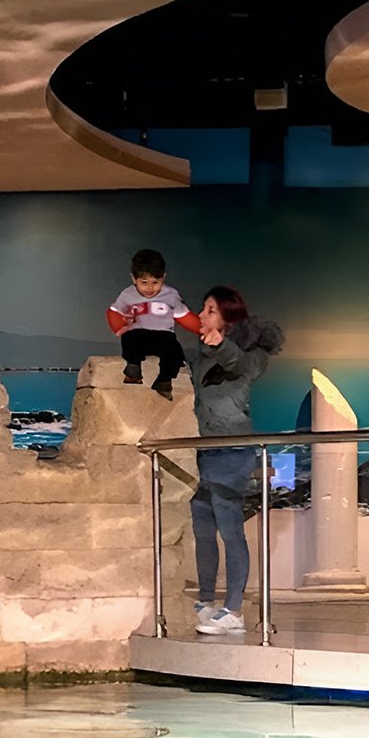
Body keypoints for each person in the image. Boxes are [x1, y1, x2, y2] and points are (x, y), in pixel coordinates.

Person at [189, 285, 284, 636]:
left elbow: (239, 365)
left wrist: (221, 344)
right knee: (202, 528)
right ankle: (206, 602)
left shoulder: (251, 354)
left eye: (210, 310)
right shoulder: (201, 353)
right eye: (203, 308)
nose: (202, 315)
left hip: (231, 451)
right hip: (204, 450)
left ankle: (233, 609)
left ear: (228, 318)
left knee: (230, 530)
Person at [105, 249, 202, 400]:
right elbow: (114, 312)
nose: (150, 288)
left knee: (175, 353)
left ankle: (164, 381)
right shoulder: (127, 295)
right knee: (129, 337)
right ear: (134, 279)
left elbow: (184, 316)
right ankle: (133, 368)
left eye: (155, 282)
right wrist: (118, 328)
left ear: (163, 277)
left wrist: (204, 330)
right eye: (144, 282)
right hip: (138, 333)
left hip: (164, 336)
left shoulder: (171, 295)